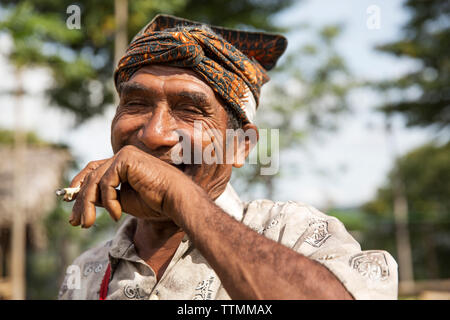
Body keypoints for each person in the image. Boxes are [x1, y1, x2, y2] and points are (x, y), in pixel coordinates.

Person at [58, 14, 398, 300]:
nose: (153, 133)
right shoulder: (88, 271)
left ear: (240, 145)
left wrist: (179, 196)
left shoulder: (294, 233)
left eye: (189, 110)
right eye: (135, 104)